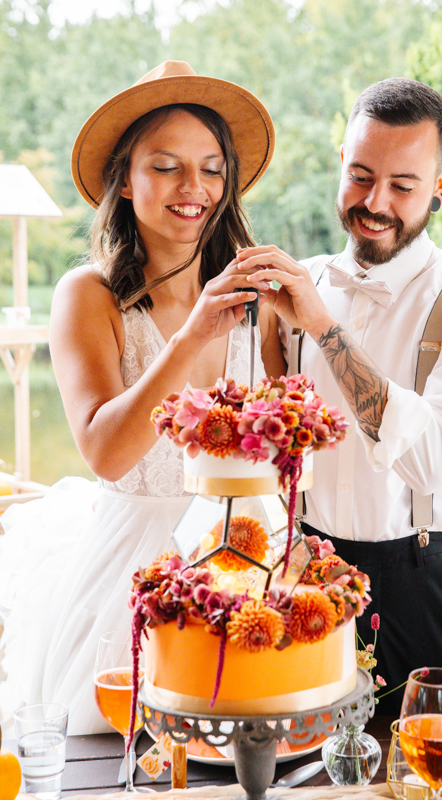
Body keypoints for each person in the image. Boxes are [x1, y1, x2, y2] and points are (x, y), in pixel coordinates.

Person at [0, 60, 285, 735]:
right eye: (165, 166)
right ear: (125, 180)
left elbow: (288, 444)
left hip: (246, 563)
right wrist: (189, 337)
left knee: (246, 746)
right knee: (120, 751)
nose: (193, 188)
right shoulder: (87, 295)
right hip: (129, 575)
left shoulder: (259, 297)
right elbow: (105, 450)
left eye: (212, 168)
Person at [235, 78, 442, 715]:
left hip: (424, 585)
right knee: (304, 773)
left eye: (403, 185)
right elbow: (273, 443)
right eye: (361, 176)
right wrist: (274, 343)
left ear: (441, 185)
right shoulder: (300, 283)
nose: (375, 202)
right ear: (341, 159)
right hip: (306, 573)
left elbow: (432, 459)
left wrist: (322, 328)